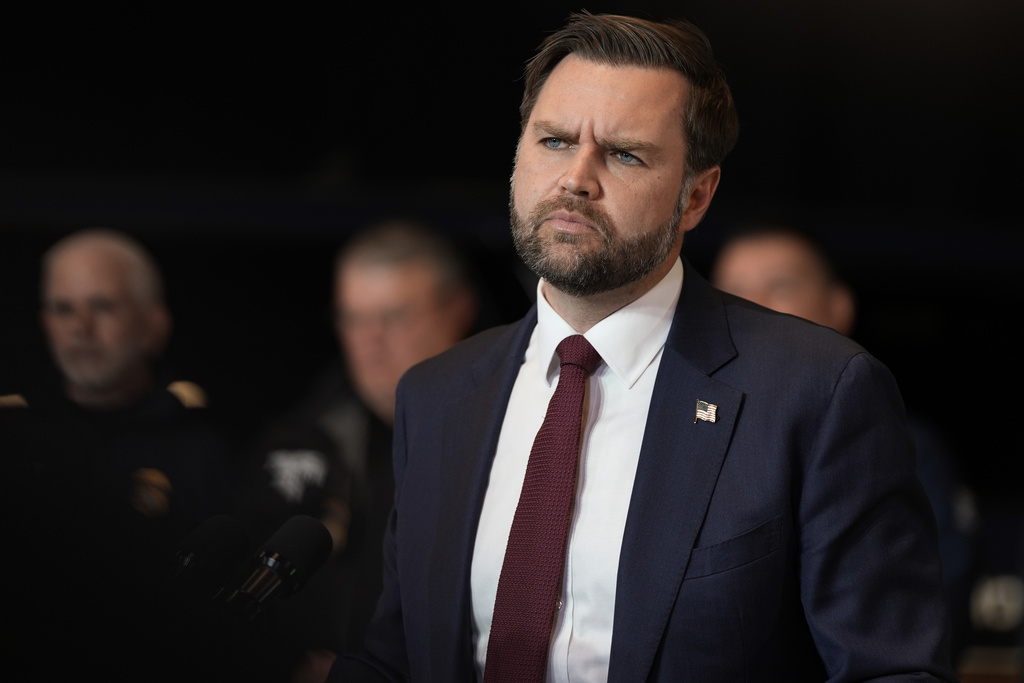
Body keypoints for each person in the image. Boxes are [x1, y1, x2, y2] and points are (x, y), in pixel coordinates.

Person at [328, 11, 956, 682]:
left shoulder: (818, 392)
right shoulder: (437, 394)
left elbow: (891, 672)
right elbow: (393, 658)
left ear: (696, 196)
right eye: (555, 140)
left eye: (625, 153)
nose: (576, 177)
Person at [710, 223, 981, 663]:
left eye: (780, 286)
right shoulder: (686, 431)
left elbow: (925, 614)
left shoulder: (900, 441)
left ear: (839, 307)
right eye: (731, 291)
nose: (751, 307)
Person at [231, 219, 480, 682]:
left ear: (459, 309)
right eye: (353, 318)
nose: (369, 342)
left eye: (394, 316)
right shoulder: (298, 442)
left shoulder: (512, 436)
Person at [0, 228, 232, 680]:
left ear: (154, 324)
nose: (80, 328)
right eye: (63, 309)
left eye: (101, 306)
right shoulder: (12, 440)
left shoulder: (198, 448)